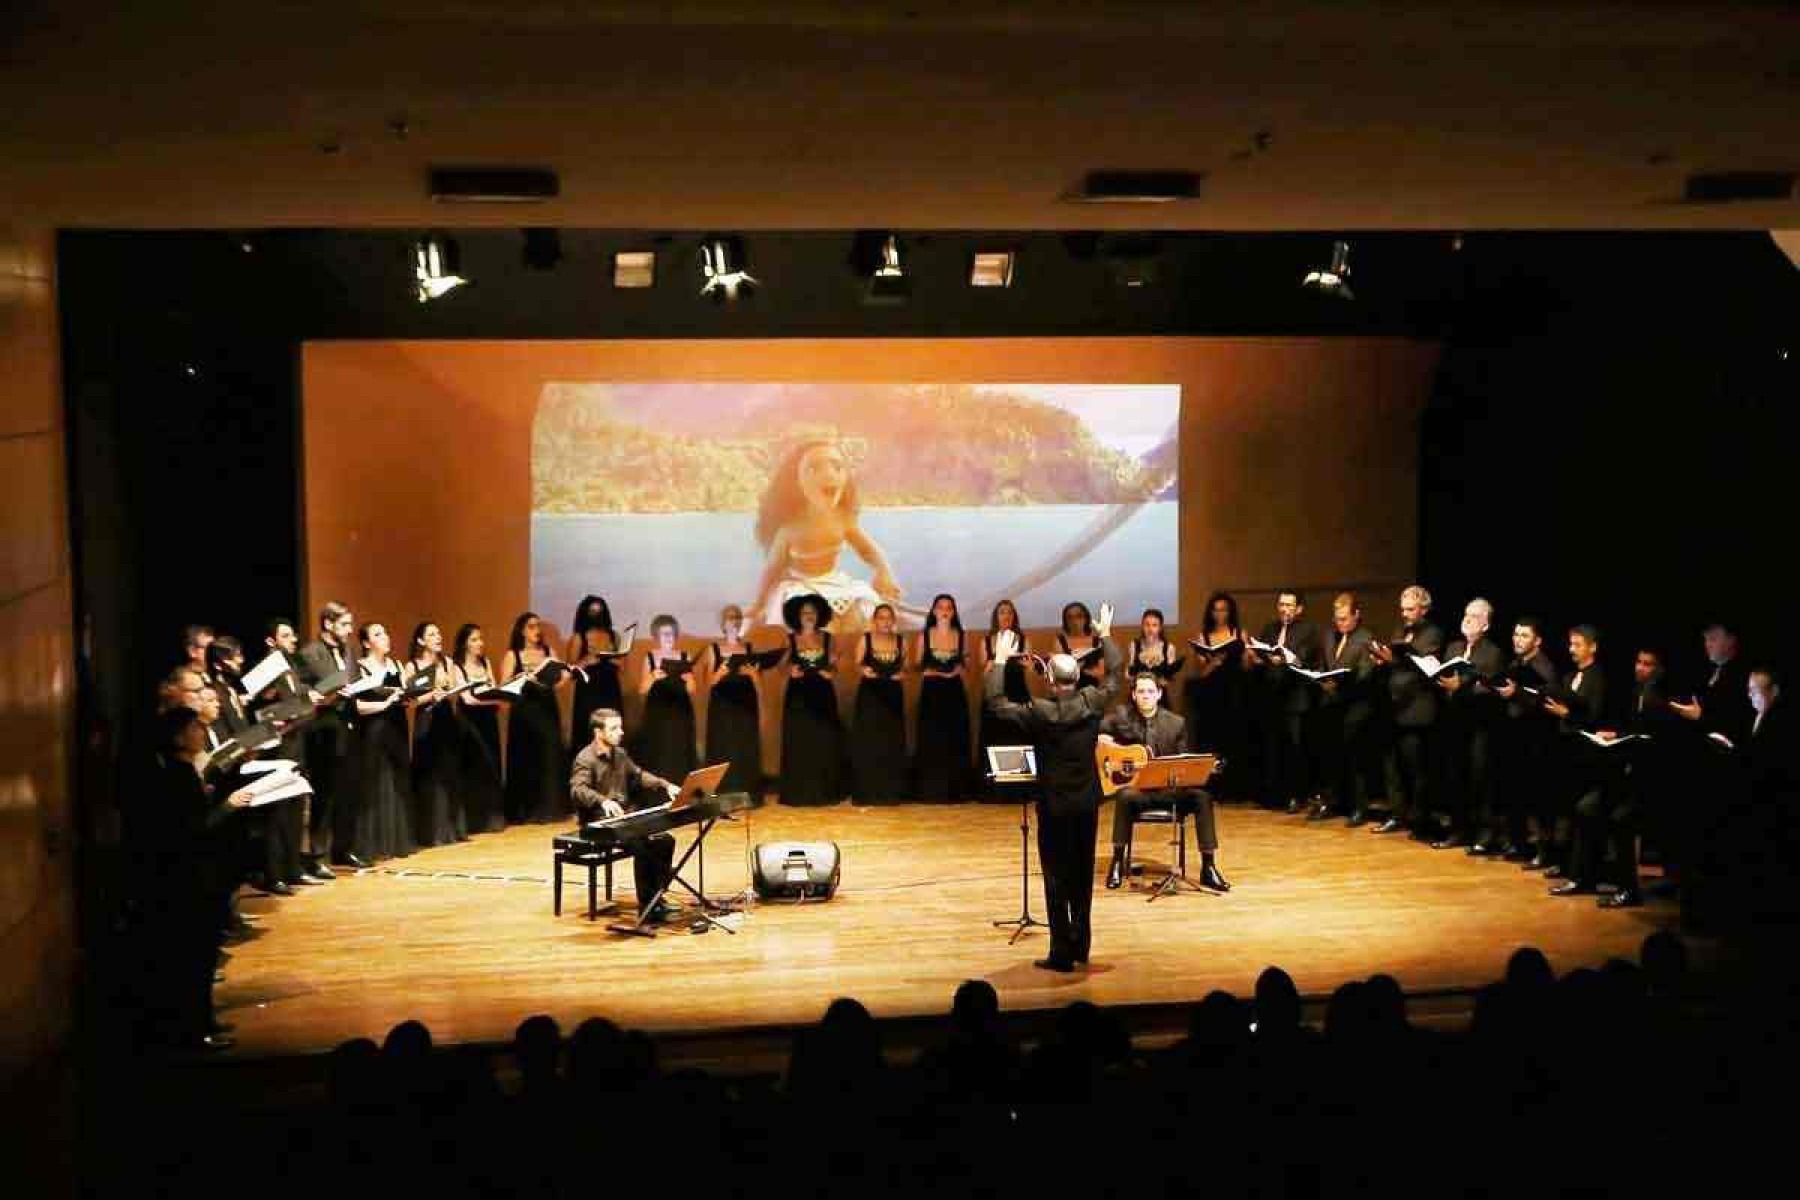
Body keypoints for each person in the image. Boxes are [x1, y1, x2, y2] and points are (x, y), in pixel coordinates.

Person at [983, 603, 1122, 972]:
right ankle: (1082, 947)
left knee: (1057, 879)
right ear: (1076, 679)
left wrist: (999, 661)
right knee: (1082, 875)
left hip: (1055, 806)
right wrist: (1105, 635)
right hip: (1087, 804)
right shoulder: (1091, 703)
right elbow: (1115, 677)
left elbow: (996, 704)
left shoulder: (1039, 712)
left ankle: (1062, 953)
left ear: (1051, 681)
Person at [132, 706, 254, 1051]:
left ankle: (204, 1021)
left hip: (194, 876)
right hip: (192, 879)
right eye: (195, 728)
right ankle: (195, 1030)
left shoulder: (182, 771)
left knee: (198, 958)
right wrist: (228, 805)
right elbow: (193, 828)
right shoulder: (176, 775)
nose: (202, 732)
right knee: (194, 960)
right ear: (178, 738)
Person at [749, 435, 903, 635]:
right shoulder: (790, 530)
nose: (829, 474)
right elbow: (772, 569)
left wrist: (884, 573)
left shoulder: (842, 520)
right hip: (802, 586)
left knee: (858, 620)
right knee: (820, 624)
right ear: (796, 482)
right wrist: (759, 603)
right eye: (814, 468)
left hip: (835, 582)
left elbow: (868, 550)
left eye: (837, 467)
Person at [1099, 673, 1229, 892]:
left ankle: (1208, 866)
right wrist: (1103, 737)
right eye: (1141, 691)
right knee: (1124, 796)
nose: (1146, 696)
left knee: (1202, 797)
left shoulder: (1176, 723)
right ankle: (1118, 860)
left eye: (1151, 691)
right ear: (1133, 695)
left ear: (1159, 694)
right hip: (1139, 792)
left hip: (1169, 792)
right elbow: (1096, 728)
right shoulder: (1122, 717)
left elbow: (1182, 760)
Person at [569, 709, 682, 922]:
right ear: (598, 732)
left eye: (620, 727)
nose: (620, 732)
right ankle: (648, 907)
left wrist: (665, 786)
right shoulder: (585, 759)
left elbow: (639, 775)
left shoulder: (620, 754)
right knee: (643, 845)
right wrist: (603, 800)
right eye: (614, 728)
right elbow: (577, 789)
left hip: (623, 819)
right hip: (598, 824)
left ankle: (656, 897)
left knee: (665, 840)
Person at [250, 617, 329, 884]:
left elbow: (295, 699)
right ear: (271, 641)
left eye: (293, 635)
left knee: (296, 811)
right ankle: (275, 874)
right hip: (278, 749)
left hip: (297, 744)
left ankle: (293, 868)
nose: (293, 639)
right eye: (286, 635)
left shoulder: (290, 668)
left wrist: (309, 699)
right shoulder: (266, 669)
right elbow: (258, 708)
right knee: (277, 813)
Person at [1543, 624, 1616, 898]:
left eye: (1577, 644)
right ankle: (1566, 865)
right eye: (1570, 644)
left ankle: (1582, 875)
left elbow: (1595, 717)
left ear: (1593, 647)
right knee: (1566, 811)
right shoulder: (1571, 675)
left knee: (1583, 813)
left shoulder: (1599, 678)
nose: (1572, 649)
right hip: (1567, 752)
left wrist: (1566, 714)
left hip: (1588, 755)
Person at [1370, 584, 1446, 837]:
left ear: (1424, 609)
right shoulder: (1400, 629)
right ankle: (1397, 814)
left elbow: (1428, 669)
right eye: (1403, 609)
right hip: (1395, 706)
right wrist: (1383, 659)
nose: (1405, 614)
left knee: (1417, 769)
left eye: (1410, 609)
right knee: (1392, 766)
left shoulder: (1433, 633)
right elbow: (1395, 662)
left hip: (1418, 709)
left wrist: (1399, 659)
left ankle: (1418, 819)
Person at [1432, 598, 1508, 849]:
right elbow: (1443, 679)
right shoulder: (1453, 647)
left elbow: (1489, 689)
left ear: (1486, 625)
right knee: (1455, 775)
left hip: (1480, 724)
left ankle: (1485, 833)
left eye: (1475, 617)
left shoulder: (1493, 652)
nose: (1467, 619)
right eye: (1466, 614)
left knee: (1479, 778)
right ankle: (1458, 830)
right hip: (1454, 722)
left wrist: (1461, 687)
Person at [1489, 617, 1562, 863]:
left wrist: (1516, 693)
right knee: (1515, 791)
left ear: (1537, 641)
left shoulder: (1545, 667)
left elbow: (1546, 700)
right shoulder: (1515, 663)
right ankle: (1518, 844)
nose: (1518, 639)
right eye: (1516, 634)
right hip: (1516, 735)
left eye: (1524, 635)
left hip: (1537, 738)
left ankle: (1544, 850)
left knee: (1538, 796)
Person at [1248, 589, 1324, 812]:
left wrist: (1289, 659)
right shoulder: (1270, 628)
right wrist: (1258, 656)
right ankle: (1274, 795)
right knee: (1273, 745)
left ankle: (1296, 796)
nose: (1284, 609)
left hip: (1296, 696)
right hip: (1272, 696)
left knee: (1295, 747)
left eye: (1290, 605)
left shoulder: (1309, 630)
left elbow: (1307, 658)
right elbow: (1263, 654)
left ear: (1299, 608)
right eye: (1281, 604)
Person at [1308, 592, 1381, 824]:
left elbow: (1365, 676)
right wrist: (1320, 678)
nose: (1339, 623)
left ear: (1356, 615)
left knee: (1355, 759)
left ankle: (1359, 807)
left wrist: (1339, 686)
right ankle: (1331, 801)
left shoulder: (1366, 639)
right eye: (1337, 618)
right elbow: (1322, 664)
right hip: (1330, 706)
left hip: (1354, 707)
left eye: (1344, 618)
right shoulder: (1329, 636)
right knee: (1329, 756)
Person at [297, 601, 360, 869]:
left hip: (347, 727)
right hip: (322, 731)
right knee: (324, 794)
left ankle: (343, 850)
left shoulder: (348, 651)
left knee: (346, 792)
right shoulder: (310, 653)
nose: (349, 630)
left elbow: (353, 679)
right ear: (327, 624)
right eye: (344, 624)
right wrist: (320, 695)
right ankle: (317, 855)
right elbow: (298, 688)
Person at [350, 622, 415, 862]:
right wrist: (385, 704)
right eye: (378, 634)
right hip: (373, 729)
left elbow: (406, 695)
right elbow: (357, 706)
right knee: (375, 782)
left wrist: (408, 698)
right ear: (366, 643)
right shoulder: (360, 667)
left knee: (397, 781)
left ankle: (397, 840)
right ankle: (372, 844)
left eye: (385, 632)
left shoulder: (395, 665)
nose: (385, 636)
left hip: (397, 726)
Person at [500, 611, 569, 824]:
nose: (536, 631)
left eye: (538, 626)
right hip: (524, 711)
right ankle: (526, 810)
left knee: (549, 755)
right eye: (531, 626)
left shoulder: (548, 651)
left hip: (546, 708)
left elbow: (563, 676)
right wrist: (523, 678)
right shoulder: (513, 654)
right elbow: (504, 685)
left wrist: (553, 681)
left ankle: (549, 808)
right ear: (522, 630)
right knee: (527, 758)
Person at [778, 593, 847, 805]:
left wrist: (831, 671)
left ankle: (825, 792)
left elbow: (836, 665)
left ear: (820, 615)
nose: (809, 616)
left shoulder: (828, 638)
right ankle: (799, 793)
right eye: (804, 612)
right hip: (798, 697)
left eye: (813, 612)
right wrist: (791, 670)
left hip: (822, 696)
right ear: (797, 616)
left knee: (824, 742)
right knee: (800, 742)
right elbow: (781, 668)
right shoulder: (789, 639)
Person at [1183, 591, 1252, 800]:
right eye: (1216, 609)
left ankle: (1235, 788)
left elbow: (1247, 667)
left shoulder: (1240, 632)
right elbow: (1200, 673)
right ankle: (1214, 787)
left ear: (1230, 612)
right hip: (1212, 693)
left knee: (1235, 739)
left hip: (1236, 691)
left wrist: (1249, 654)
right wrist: (1214, 661)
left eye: (1224, 609)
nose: (1220, 614)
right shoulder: (1203, 636)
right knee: (1212, 740)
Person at [407, 622, 465, 847]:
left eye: (439, 633)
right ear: (421, 641)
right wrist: (431, 695)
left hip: (446, 719)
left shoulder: (447, 662)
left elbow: (454, 694)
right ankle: (431, 832)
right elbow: (410, 702)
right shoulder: (412, 666)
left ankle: (451, 829)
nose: (438, 637)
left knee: (449, 772)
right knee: (429, 775)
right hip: (426, 720)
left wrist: (450, 691)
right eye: (432, 634)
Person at [705, 604, 771, 800]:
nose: (733, 621)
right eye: (729, 618)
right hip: (722, 706)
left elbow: (760, 687)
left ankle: (747, 793)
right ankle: (723, 795)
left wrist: (753, 674)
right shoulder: (713, 649)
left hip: (745, 705)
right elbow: (708, 683)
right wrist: (721, 672)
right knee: (722, 747)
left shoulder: (749, 648)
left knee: (745, 747)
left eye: (737, 618)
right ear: (722, 624)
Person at [914, 593, 975, 801]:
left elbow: (966, 662)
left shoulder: (961, 634)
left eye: (949, 607)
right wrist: (938, 672)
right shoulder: (924, 635)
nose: (945, 610)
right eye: (941, 607)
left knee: (955, 739)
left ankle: (956, 790)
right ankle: (931, 790)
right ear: (933, 611)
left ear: (954, 611)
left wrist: (961, 667)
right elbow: (918, 666)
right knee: (933, 739)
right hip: (932, 692)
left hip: (954, 692)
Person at [850, 602, 910, 803]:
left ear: (894, 621)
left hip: (893, 696)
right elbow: (857, 664)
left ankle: (890, 791)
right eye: (881, 617)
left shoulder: (902, 642)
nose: (885, 621)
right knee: (869, 742)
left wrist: (903, 674)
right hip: (870, 696)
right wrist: (863, 671)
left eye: (888, 618)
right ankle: (868, 791)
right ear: (875, 620)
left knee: (891, 743)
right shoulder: (865, 639)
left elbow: (906, 668)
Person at [452, 623, 506, 834]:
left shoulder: (485, 662)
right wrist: (491, 701)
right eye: (474, 639)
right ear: (465, 643)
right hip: (469, 721)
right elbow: (467, 699)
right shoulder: (457, 665)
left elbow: (492, 687)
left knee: (491, 766)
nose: (479, 643)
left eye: (480, 639)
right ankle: (474, 820)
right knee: (474, 766)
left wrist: (499, 696)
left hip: (488, 720)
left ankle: (492, 817)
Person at [977, 599, 1033, 801]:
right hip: (995, 694)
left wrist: (1029, 666)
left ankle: (1019, 789)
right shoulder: (986, 641)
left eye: (1010, 613)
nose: (1006, 616)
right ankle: (996, 790)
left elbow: (1031, 671)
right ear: (996, 617)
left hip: (1018, 694)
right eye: (1002, 612)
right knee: (997, 740)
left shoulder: (1023, 640)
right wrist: (996, 661)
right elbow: (984, 675)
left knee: (1018, 739)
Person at [636, 614, 698, 786]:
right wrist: (652, 677)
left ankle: (681, 792)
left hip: (681, 711)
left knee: (680, 750)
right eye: (664, 634)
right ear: (656, 636)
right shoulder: (649, 657)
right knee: (658, 751)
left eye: (671, 633)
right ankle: (658, 795)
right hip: (657, 712)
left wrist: (689, 679)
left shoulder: (686, 656)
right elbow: (642, 690)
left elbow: (693, 690)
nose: (668, 637)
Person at [565, 595, 625, 761]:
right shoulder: (579, 637)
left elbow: (623, 667)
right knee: (589, 732)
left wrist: (614, 659)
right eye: (592, 610)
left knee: (612, 731)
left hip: (610, 688)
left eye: (600, 610)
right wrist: (586, 661)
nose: (597, 614)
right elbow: (569, 670)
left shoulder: (614, 636)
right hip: (588, 691)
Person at [1126, 608, 1185, 695]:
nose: (1150, 629)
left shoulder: (1168, 648)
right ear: (1142, 626)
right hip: (1138, 694)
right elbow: (1128, 674)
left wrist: (1160, 681)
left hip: (1159, 695)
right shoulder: (1134, 645)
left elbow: (1170, 677)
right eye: (1147, 625)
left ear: (1160, 628)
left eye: (1154, 625)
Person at [1057, 602, 1109, 689]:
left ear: (1086, 618)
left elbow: (1102, 671)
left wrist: (1080, 669)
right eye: (1070, 617)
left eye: (1079, 616)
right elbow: (1059, 674)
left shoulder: (1097, 641)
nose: (1074, 621)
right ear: (1065, 621)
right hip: (1069, 691)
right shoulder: (1060, 642)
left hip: (1094, 690)